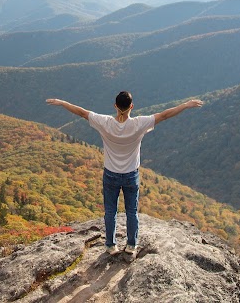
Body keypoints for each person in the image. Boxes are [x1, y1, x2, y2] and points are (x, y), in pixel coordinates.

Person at [46, 91, 203, 259]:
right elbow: (164, 115)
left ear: (115, 106)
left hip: (110, 174)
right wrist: (185, 105)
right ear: (131, 106)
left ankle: (110, 245)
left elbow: (82, 113)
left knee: (110, 212)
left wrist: (62, 102)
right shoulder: (139, 124)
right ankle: (131, 245)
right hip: (131, 175)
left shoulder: (105, 122)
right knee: (131, 212)